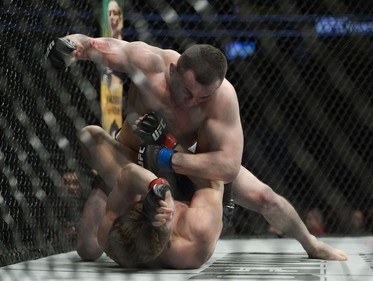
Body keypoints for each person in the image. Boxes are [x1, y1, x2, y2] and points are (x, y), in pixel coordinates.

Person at [44, 35, 347, 261]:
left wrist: (165, 155)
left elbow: (227, 166)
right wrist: (71, 46)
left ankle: (311, 243)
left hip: (190, 162)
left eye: (203, 97)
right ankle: (110, 184)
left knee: (264, 197)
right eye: (187, 91)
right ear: (173, 70)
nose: (192, 102)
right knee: (88, 250)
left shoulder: (223, 97)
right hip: (130, 155)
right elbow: (94, 46)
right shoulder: (148, 62)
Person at [76, 125, 224, 268]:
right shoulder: (195, 234)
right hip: (192, 181)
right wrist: (169, 146)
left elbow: (127, 174)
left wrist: (155, 185)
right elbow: (215, 181)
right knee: (215, 140)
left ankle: (107, 181)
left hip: (145, 176)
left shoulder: (110, 235)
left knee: (89, 136)